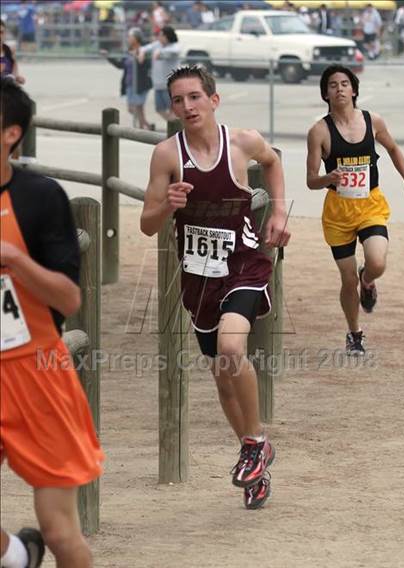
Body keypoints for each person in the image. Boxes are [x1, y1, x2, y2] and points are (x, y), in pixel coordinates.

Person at [140, 65, 291, 509]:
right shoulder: (166, 155)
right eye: (178, 100)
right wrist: (166, 205)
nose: (187, 107)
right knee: (222, 378)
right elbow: (147, 226)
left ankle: (255, 444)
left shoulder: (241, 141)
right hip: (197, 277)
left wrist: (279, 213)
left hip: (243, 265)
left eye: (194, 97)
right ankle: (254, 450)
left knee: (231, 350)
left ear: (213, 100)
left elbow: (274, 161)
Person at [0, 77, 104, 567]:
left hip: (36, 372)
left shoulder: (40, 197)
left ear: (11, 134)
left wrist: (13, 260)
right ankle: (18, 557)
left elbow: (69, 296)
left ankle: (33, 550)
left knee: (61, 532)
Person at [306, 65, 404, 356]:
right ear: (325, 93)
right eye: (333, 85)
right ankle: (354, 334)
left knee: (377, 262)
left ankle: (368, 280)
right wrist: (327, 179)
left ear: (354, 90)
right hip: (338, 213)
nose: (340, 89)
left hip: (370, 204)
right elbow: (310, 180)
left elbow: (394, 149)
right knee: (347, 281)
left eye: (345, 83)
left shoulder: (373, 121)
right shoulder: (319, 131)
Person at [101, 28, 154, 130]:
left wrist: (139, 58)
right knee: (133, 108)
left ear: (136, 38)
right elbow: (121, 65)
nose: (128, 39)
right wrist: (108, 57)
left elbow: (147, 66)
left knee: (138, 107)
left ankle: (142, 127)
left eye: (130, 37)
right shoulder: (128, 52)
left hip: (140, 84)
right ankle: (146, 125)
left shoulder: (144, 51)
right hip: (129, 84)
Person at [140, 26, 180, 124]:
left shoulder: (174, 46)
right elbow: (144, 48)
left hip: (170, 84)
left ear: (167, 36)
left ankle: (176, 128)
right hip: (158, 83)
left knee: (173, 109)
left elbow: (175, 51)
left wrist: (160, 52)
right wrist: (142, 52)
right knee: (159, 109)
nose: (159, 37)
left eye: (161, 35)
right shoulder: (157, 44)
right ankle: (175, 125)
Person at [1, 20, 25, 84]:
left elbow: (15, 75)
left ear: (5, 34)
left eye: (1, 32)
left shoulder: (10, 51)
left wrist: (18, 78)